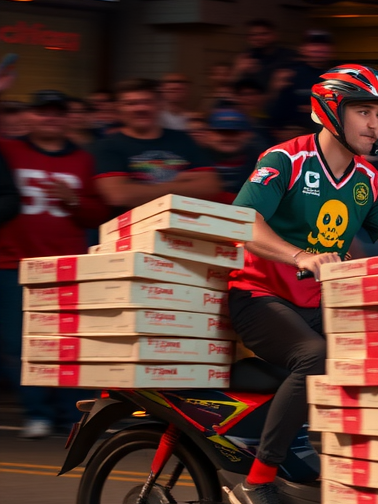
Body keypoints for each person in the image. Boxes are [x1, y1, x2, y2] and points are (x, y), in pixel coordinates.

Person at [227, 64, 378, 504]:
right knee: (317, 358)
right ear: (330, 110)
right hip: (258, 294)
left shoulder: (368, 180)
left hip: (316, 305)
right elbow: (242, 223)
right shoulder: (283, 160)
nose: (374, 123)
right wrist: (302, 255)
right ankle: (258, 482)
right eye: (362, 110)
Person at [0, 91, 108, 438]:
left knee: (68, 344)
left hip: (67, 265)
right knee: (22, 345)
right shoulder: (7, 151)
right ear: (30, 116)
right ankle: (38, 413)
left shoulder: (84, 159)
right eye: (42, 112)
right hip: (12, 262)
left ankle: (70, 415)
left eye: (57, 113)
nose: (49, 118)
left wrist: (74, 200)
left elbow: (98, 213)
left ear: (67, 118)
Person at [92, 78, 220, 210]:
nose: (140, 108)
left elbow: (210, 187)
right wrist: (177, 183)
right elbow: (119, 196)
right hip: (132, 227)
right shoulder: (107, 146)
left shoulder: (183, 139)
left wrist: (137, 187)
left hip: (182, 225)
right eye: (131, 103)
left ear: (160, 105)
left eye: (147, 102)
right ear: (119, 108)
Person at [267, 30, 337, 135]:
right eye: (313, 44)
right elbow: (278, 111)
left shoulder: (340, 76)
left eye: (323, 44)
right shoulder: (290, 74)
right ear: (303, 49)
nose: (318, 48)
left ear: (331, 50)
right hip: (294, 134)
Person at [204, 107, 261, 198]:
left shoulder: (263, 166)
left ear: (249, 134)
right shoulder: (194, 163)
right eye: (222, 131)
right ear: (208, 134)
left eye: (235, 132)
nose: (228, 137)